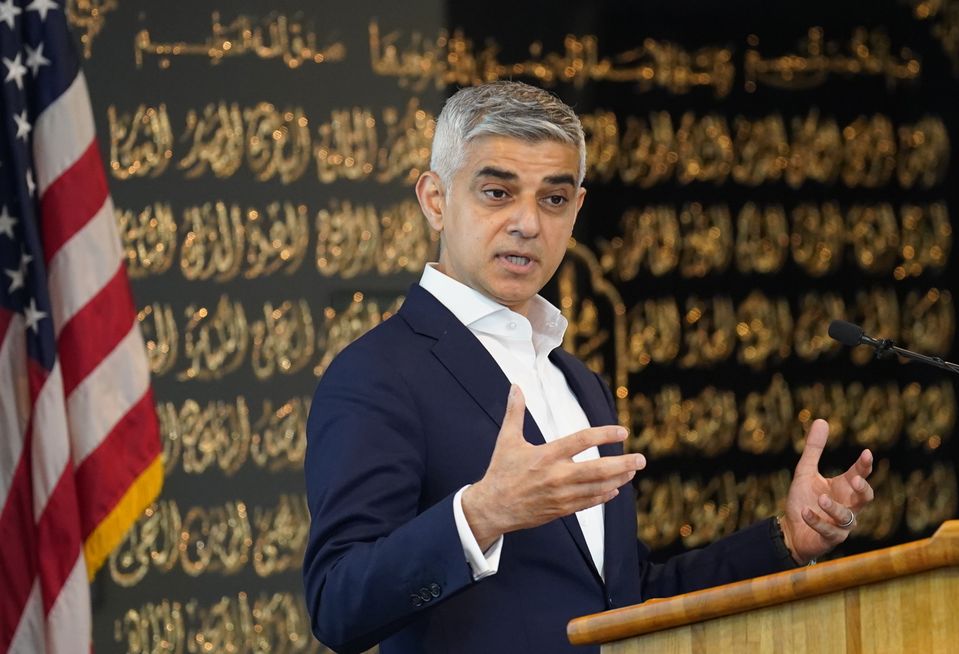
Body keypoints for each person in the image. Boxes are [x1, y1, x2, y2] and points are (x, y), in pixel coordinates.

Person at [302, 81, 875, 654]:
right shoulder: (378, 374)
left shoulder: (577, 381)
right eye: (497, 193)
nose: (527, 223)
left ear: (576, 210)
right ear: (435, 200)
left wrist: (786, 543)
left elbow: (622, 600)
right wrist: (480, 516)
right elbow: (337, 604)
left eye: (553, 199)